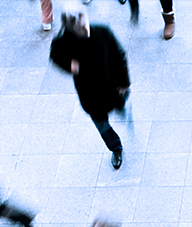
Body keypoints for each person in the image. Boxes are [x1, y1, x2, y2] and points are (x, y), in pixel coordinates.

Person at [50, 3, 131, 169]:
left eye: (84, 22)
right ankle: (116, 148)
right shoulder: (64, 42)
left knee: (118, 103)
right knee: (102, 125)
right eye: (80, 26)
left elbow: (119, 55)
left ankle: (121, 106)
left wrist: (123, 83)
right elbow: (55, 55)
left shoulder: (102, 32)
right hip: (90, 94)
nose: (85, 28)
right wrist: (70, 66)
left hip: (112, 86)